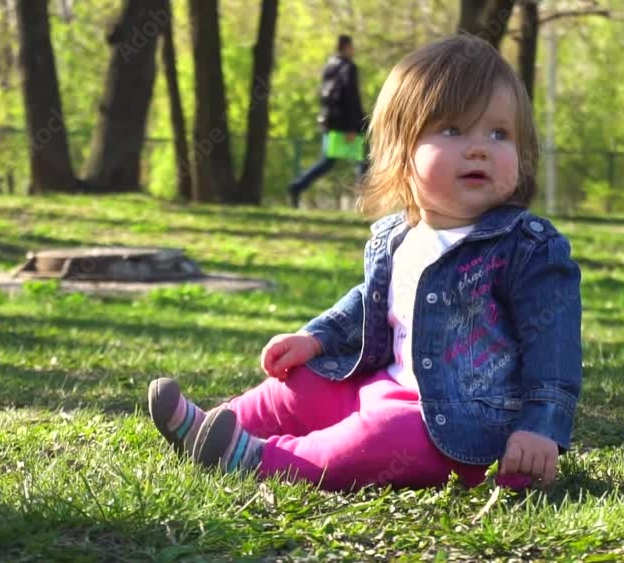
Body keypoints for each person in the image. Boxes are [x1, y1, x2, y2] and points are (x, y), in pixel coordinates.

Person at [148, 35, 582, 492]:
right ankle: (215, 426)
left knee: (374, 439)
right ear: (400, 152)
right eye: (453, 131)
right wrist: (314, 338)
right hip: (379, 388)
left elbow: (553, 347)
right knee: (303, 385)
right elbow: (367, 303)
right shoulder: (399, 237)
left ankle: (260, 459)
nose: (480, 149)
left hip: (463, 432)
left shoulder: (527, 248)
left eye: (499, 134)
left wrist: (539, 427)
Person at [287, 35, 367, 208]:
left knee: (327, 162)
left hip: (330, 124)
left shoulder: (329, 66)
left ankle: (297, 186)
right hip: (347, 127)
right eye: (352, 46)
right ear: (346, 47)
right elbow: (351, 98)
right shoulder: (348, 67)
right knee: (362, 161)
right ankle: (365, 201)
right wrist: (354, 126)